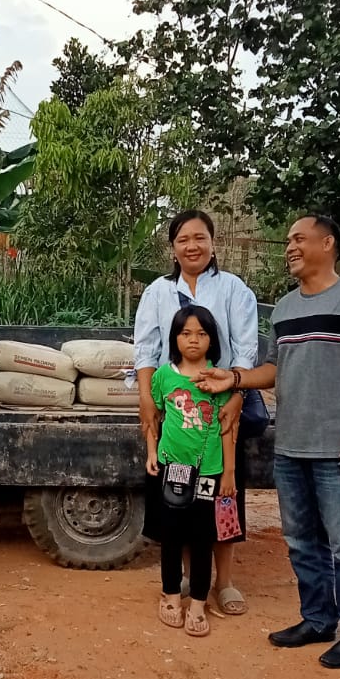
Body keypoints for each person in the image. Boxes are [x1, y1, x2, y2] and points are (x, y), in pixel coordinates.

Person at [202, 215, 340, 670]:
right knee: (302, 540)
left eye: (298, 239)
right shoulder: (285, 308)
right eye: (287, 239)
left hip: (339, 447)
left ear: (328, 243)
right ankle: (318, 619)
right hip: (289, 445)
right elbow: (273, 369)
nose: (289, 246)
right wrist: (233, 378)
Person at [134, 209, 259, 615]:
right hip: (177, 410)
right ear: (172, 247)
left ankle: (225, 582)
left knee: (223, 493)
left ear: (212, 242)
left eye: (200, 237)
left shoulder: (234, 289)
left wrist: (237, 395)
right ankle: (188, 578)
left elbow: (245, 350)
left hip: (223, 399)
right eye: (183, 239)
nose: (192, 246)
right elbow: (146, 350)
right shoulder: (157, 292)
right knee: (180, 497)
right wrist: (148, 401)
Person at [145, 305, 239, 637]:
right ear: (175, 338)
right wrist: (150, 452)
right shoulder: (163, 377)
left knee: (203, 538)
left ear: (212, 340)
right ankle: (171, 595)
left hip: (209, 472)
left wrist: (229, 472)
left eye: (201, 333)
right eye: (186, 333)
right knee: (170, 536)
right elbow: (153, 417)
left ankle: (198, 602)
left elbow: (229, 427)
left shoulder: (219, 378)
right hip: (172, 469)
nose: (193, 340)